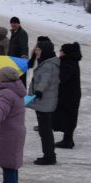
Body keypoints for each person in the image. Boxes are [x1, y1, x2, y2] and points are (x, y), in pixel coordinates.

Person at [28, 36, 60, 165]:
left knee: (45, 131)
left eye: (39, 50)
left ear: (45, 50)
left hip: (44, 102)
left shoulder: (48, 65)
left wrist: (39, 91)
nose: (36, 52)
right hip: (45, 101)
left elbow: (45, 80)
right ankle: (49, 154)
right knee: (45, 130)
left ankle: (49, 156)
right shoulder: (49, 61)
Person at [55, 43, 81, 149]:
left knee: (69, 117)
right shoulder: (69, 61)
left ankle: (68, 141)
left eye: (61, 50)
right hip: (69, 94)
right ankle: (68, 139)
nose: (59, 52)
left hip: (70, 95)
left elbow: (62, 78)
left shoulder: (69, 63)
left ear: (66, 52)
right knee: (68, 116)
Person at [9, 17, 29, 86]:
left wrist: (23, 58)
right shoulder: (14, 32)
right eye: (12, 23)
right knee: (14, 78)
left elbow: (24, 46)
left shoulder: (22, 33)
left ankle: (22, 95)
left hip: (19, 60)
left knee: (21, 79)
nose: (13, 24)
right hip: (13, 59)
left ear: (18, 24)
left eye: (15, 23)